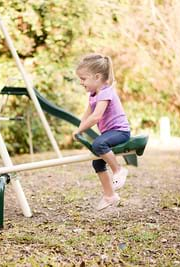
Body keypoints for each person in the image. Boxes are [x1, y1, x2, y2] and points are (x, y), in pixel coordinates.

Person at [73, 53, 130, 211]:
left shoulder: (106, 92)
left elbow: (96, 117)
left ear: (97, 77)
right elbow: (87, 114)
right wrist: (79, 130)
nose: (81, 82)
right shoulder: (93, 95)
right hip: (109, 132)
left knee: (99, 144)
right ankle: (110, 196)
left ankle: (118, 170)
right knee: (97, 160)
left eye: (83, 79)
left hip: (120, 131)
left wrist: (80, 129)